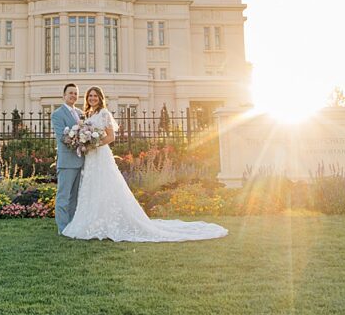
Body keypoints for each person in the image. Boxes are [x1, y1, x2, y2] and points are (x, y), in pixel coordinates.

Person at [61, 86, 228, 242]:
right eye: (90, 96)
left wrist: (93, 144)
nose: (92, 98)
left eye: (95, 96)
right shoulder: (87, 114)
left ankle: (109, 222)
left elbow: (111, 137)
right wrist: (85, 142)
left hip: (100, 155)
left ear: (100, 98)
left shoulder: (104, 113)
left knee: (106, 185)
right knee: (92, 187)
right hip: (90, 158)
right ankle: (92, 221)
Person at [50, 83, 83, 233]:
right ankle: (62, 228)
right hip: (67, 162)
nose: (73, 96)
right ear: (64, 95)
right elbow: (63, 137)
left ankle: (72, 225)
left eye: (76, 93)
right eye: (70, 93)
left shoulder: (81, 113)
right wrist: (82, 139)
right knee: (63, 196)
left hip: (81, 161)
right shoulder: (57, 114)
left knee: (75, 198)